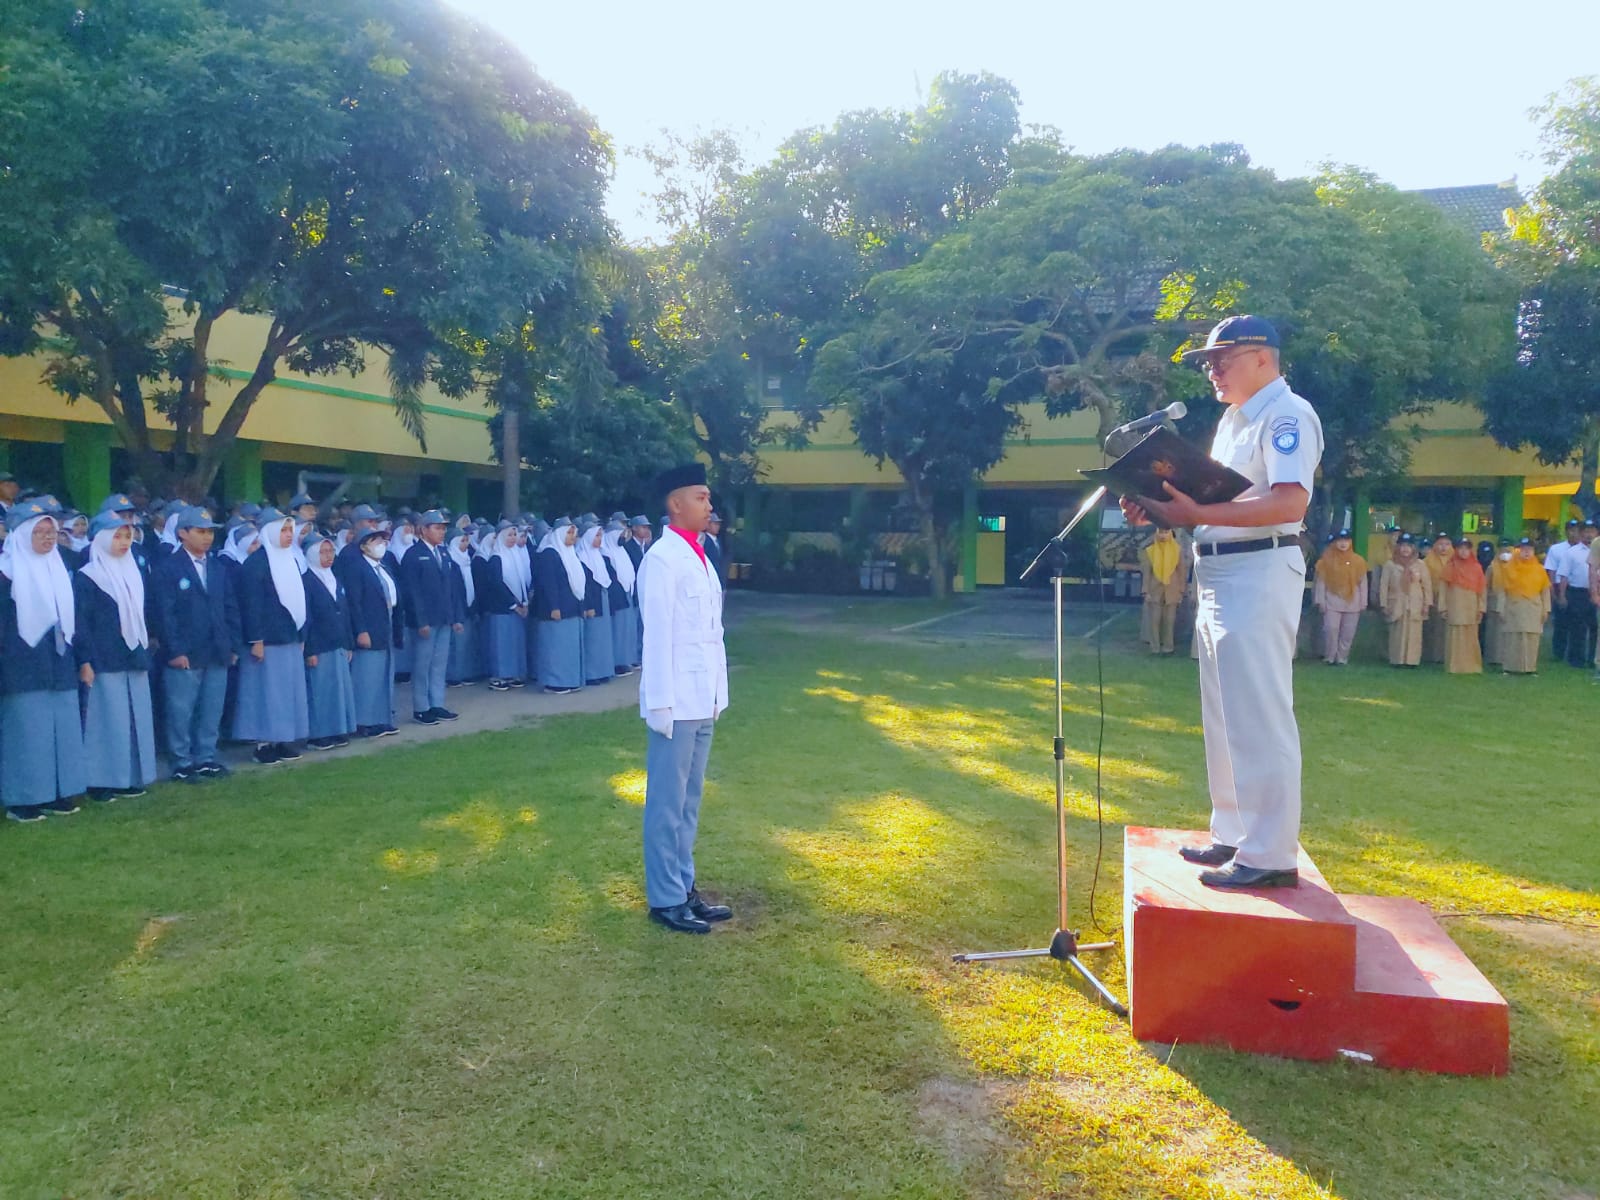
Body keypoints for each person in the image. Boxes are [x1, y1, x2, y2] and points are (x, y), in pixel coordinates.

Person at [1123, 315, 1322, 890]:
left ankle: (1271, 852)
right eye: (1208, 361)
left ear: (1264, 357)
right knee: (1224, 712)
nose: (1211, 370)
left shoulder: (1287, 414)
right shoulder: (1235, 421)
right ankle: (1234, 832)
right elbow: (1217, 501)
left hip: (1261, 568)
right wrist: (1162, 508)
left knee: (1259, 713)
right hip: (1220, 571)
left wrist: (1198, 514)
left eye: (1222, 358)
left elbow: (1289, 502)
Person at [637, 463, 732, 933]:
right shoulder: (662, 559)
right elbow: (656, 636)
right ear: (676, 504)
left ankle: (684, 887)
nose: (709, 505)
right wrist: (659, 705)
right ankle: (665, 899)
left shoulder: (699, 554)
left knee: (689, 802)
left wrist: (719, 691)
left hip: (704, 695)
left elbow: (710, 633)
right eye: (701, 497)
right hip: (675, 702)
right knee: (666, 803)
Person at [0, 500, 88, 820]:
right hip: (21, 665)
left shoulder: (58, 568)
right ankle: (23, 800)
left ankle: (58, 792)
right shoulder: (6, 574)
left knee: (60, 729)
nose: (48, 538)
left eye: (51, 531)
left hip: (58, 662)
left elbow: (73, 619)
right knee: (27, 732)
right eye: (39, 532)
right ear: (22, 535)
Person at [73, 512, 158, 800]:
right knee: (107, 720)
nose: (124, 543)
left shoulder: (132, 571)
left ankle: (132, 776)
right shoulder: (88, 577)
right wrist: (86, 660)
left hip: (133, 656)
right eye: (117, 536)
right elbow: (81, 623)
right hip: (104, 659)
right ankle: (100, 781)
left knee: (135, 717)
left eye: (127, 536)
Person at [151, 506, 238, 783]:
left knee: (211, 708)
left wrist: (232, 644)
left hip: (216, 649)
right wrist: (174, 650)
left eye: (210, 531)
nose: (207, 537)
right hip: (185, 652)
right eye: (200, 532)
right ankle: (181, 760)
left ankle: (206, 757)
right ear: (182, 533)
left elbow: (229, 606)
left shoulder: (217, 566)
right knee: (181, 709)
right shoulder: (168, 567)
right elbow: (164, 614)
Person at [234, 515, 310, 764]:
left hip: (288, 636)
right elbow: (251, 605)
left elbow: (299, 601)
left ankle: (282, 740)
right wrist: (255, 639)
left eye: (291, 530)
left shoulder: (290, 560)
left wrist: (301, 634)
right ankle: (263, 744)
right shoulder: (255, 564)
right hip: (266, 641)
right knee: (265, 693)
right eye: (284, 530)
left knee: (286, 693)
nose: (289, 534)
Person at [398, 510, 460, 726]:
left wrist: (454, 616)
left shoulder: (443, 553)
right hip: (426, 620)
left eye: (443, 528)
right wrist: (420, 620)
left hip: (443, 617)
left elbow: (451, 588)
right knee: (422, 665)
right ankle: (421, 707)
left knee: (439, 664)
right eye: (437, 527)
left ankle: (437, 703)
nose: (442, 532)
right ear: (423, 530)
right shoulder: (413, 555)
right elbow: (412, 592)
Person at [301, 532, 357, 751]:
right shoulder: (306, 580)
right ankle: (319, 734)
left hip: (338, 642)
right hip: (320, 645)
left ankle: (337, 729)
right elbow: (307, 617)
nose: (328, 556)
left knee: (338, 688)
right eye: (322, 552)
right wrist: (310, 650)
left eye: (330, 551)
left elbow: (345, 611)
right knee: (320, 691)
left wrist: (348, 642)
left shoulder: (334, 577)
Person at [345, 527, 400, 738]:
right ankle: (364, 721)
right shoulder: (357, 568)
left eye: (383, 540)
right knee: (367, 675)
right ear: (363, 545)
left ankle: (381, 717)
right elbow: (355, 602)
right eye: (376, 540)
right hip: (369, 627)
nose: (381, 545)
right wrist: (361, 630)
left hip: (386, 622)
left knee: (383, 674)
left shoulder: (382, 566)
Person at [534, 518, 586, 694]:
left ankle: (570, 680)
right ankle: (554, 682)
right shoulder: (550, 553)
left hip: (571, 606)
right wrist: (553, 606)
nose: (572, 536)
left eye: (574, 533)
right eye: (569, 532)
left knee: (568, 647)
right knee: (555, 646)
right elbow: (549, 584)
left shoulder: (570, 553)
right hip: (556, 609)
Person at [479, 524, 529, 691]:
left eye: (515, 535)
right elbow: (497, 584)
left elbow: (522, 581)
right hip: (501, 607)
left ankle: (514, 674)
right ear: (501, 537)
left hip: (517, 607)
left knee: (514, 641)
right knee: (501, 643)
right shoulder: (496, 557)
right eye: (509, 535)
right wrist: (514, 604)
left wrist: (524, 602)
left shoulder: (515, 555)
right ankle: (499, 676)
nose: (513, 538)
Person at [1312, 529, 1367, 666]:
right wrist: (1320, 601)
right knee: (1331, 629)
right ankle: (1330, 657)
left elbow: (1363, 583)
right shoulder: (1325, 561)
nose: (1343, 544)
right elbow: (1321, 583)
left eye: (1346, 541)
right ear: (1335, 542)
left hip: (1352, 603)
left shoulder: (1358, 561)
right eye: (1340, 541)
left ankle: (1342, 658)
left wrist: (1363, 602)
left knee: (1348, 633)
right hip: (1331, 601)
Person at [1500, 538, 1551, 675]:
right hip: (1514, 606)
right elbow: (1502, 590)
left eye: (1530, 549)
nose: (1527, 552)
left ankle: (1530, 668)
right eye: (1523, 549)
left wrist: (1546, 609)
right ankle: (1510, 667)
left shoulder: (1540, 569)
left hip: (1533, 607)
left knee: (1531, 638)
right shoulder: (1508, 568)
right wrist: (1501, 608)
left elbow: (1545, 591)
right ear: (1518, 551)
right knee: (1513, 637)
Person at [1378, 533, 1431, 667]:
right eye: (1402, 546)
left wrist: (1427, 604)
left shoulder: (1420, 564)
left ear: (1414, 548)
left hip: (1415, 602)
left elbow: (1426, 585)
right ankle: (1397, 660)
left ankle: (1412, 661)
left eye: (1409, 546)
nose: (1405, 549)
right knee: (1397, 632)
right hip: (1396, 602)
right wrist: (1383, 604)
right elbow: (1384, 586)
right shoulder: (1390, 564)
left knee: (1414, 632)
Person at [575, 518, 615, 687]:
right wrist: (588, 605)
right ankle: (592, 674)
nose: (599, 539)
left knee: (603, 638)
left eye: (600, 536)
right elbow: (585, 585)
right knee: (592, 638)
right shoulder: (581, 557)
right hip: (592, 603)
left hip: (603, 599)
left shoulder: (599, 556)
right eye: (596, 536)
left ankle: (603, 670)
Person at [1137, 527, 1188, 655]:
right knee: (1154, 619)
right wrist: (1145, 591)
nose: (1163, 535)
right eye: (1161, 532)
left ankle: (1168, 647)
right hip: (1154, 590)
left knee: (1170, 620)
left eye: (1166, 532)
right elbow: (1146, 573)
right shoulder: (1150, 551)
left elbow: (1182, 571)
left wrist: (1182, 590)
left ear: (1170, 533)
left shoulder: (1177, 550)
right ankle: (1155, 647)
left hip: (1172, 590)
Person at [1441, 536, 1486, 674]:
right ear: (1456, 550)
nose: (1464, 552)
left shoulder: (1477, 567)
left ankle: (1471, 666)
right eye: (1460, 548)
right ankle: (1454, 666)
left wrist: (1481, 608)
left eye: (1467, 548)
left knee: (1471, 635)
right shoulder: (1450, 566)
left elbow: (1482, 589)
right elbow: (1443, 588)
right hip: (1455, 605)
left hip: (1471, 606)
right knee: (1455, 635)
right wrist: (1442, 607)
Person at [445, 529, 481, 688]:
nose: (465, 544)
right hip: (456, 608)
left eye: (467, 541)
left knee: (467, 643)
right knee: (456, 644)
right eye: (462, 541)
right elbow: (452, 591)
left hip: (468, 607)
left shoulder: (466, 559)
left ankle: (466, 673)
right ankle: (453, 676)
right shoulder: (451, 562)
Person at [602, 519, 639, 673]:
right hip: (617, 597)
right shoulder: (606, 552)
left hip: (627, 593)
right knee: (618, 630)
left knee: (627, 629)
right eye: (620, 534)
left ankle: (627, 659)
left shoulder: (621, 551)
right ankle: (617, 662)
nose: (623, 537)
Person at [1562, 517, 1597, 667]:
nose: (1589, 534)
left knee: (1595, 627)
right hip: (1577, 593)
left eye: (1592, 531)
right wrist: (1562, 595)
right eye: (1586, 531)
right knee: (1578, 627)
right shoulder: (1572, 552)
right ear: (1581, 533)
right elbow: (1563, 575)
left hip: (1597, 592)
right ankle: (1576, 659)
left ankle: (1593, 659)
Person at [1422, 533, 1453, 664]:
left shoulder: (1455, 560)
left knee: (1448, 628)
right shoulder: (1427, 561)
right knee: (1433, 628)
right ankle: (1432, 655)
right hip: (1433, 597)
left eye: (1446, 544)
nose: (1443, 548)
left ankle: (1448, 655)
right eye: (1440, 544)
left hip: (1451, 599)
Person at [1483, 538, 1513, 666]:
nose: (1505, 552)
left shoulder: (1516, 567)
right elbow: (1485, 585)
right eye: (1502, 549)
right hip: (1494, 603)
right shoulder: (1492, 567)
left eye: (1507, 549)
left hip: (1511, 603)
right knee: (1494, 632)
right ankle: (1493, 658)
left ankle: (1508, 657)